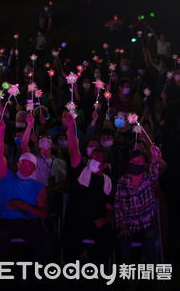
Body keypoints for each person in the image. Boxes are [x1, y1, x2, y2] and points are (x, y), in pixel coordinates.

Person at [0, 119, 51, 266]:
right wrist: (1, 133)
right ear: (18, 164)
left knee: (44, 241)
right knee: (1, 237)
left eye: (30, 165)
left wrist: (23, 205)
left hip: (27, 222)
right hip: (5, 221)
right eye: (23, 163)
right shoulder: (7, 177)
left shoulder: (38, 186)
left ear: (34, 169)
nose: (26, 167)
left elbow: (43, 214)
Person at [62, 113, 114, 264]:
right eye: (92, 159)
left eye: (97, 160)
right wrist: (71, 128)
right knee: (70, 241)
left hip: (97, 222)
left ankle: (97, 271)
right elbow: (73, 150)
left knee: (107, 242)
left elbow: (110, 207)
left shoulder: (107, 182)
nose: (92, 162)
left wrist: (105, 219)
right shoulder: (81, 172)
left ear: (104, 165)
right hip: (76, 220)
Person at [115, 147, 164, 262]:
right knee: (123, 243)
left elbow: (155, 170)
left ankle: (154, 274)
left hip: (147, 223)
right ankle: (126, 276)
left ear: (145, 164)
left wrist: (155, 157)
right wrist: (122, 226)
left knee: (150, 242)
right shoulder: (122, 182)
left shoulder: (149, 180)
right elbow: (118, 207)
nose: (135, 163)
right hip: (128, 225)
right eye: (133, 161)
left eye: (139, 161)